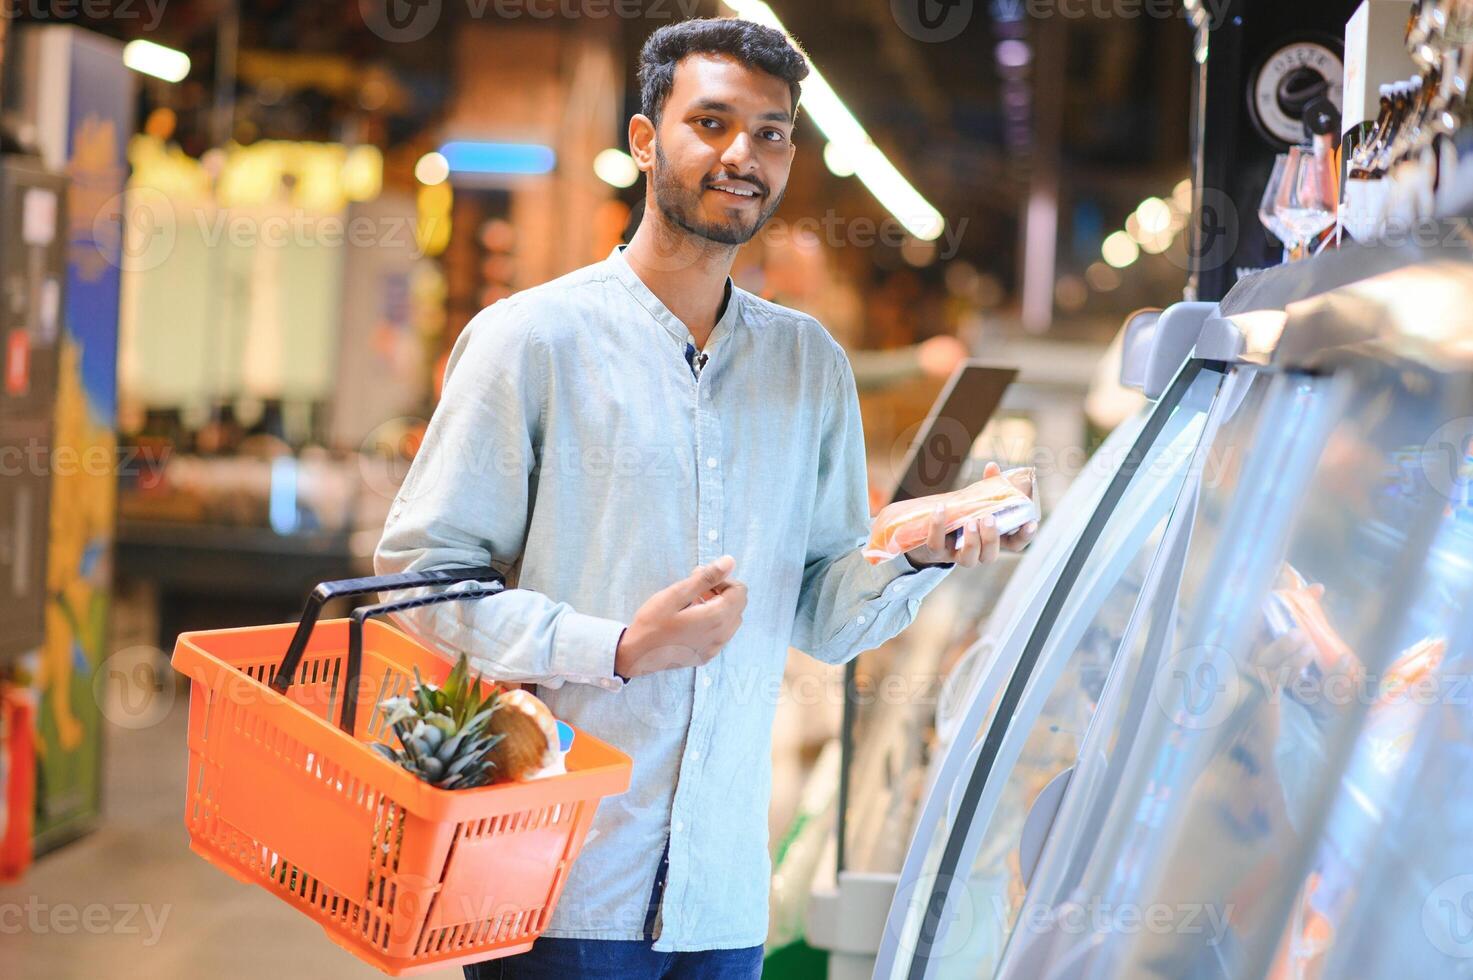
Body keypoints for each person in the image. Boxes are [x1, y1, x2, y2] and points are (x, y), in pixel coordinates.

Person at [373, 17, 1037, 980]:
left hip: (724, 896)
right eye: (712, 123)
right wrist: (619, 647)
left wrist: (918, 551)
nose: (742, 156)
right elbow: (420, 585)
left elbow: (821, 612)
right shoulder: (532, 342)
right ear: (646, 140)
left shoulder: (808, 364)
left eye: (769, 133)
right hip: (560, 882)